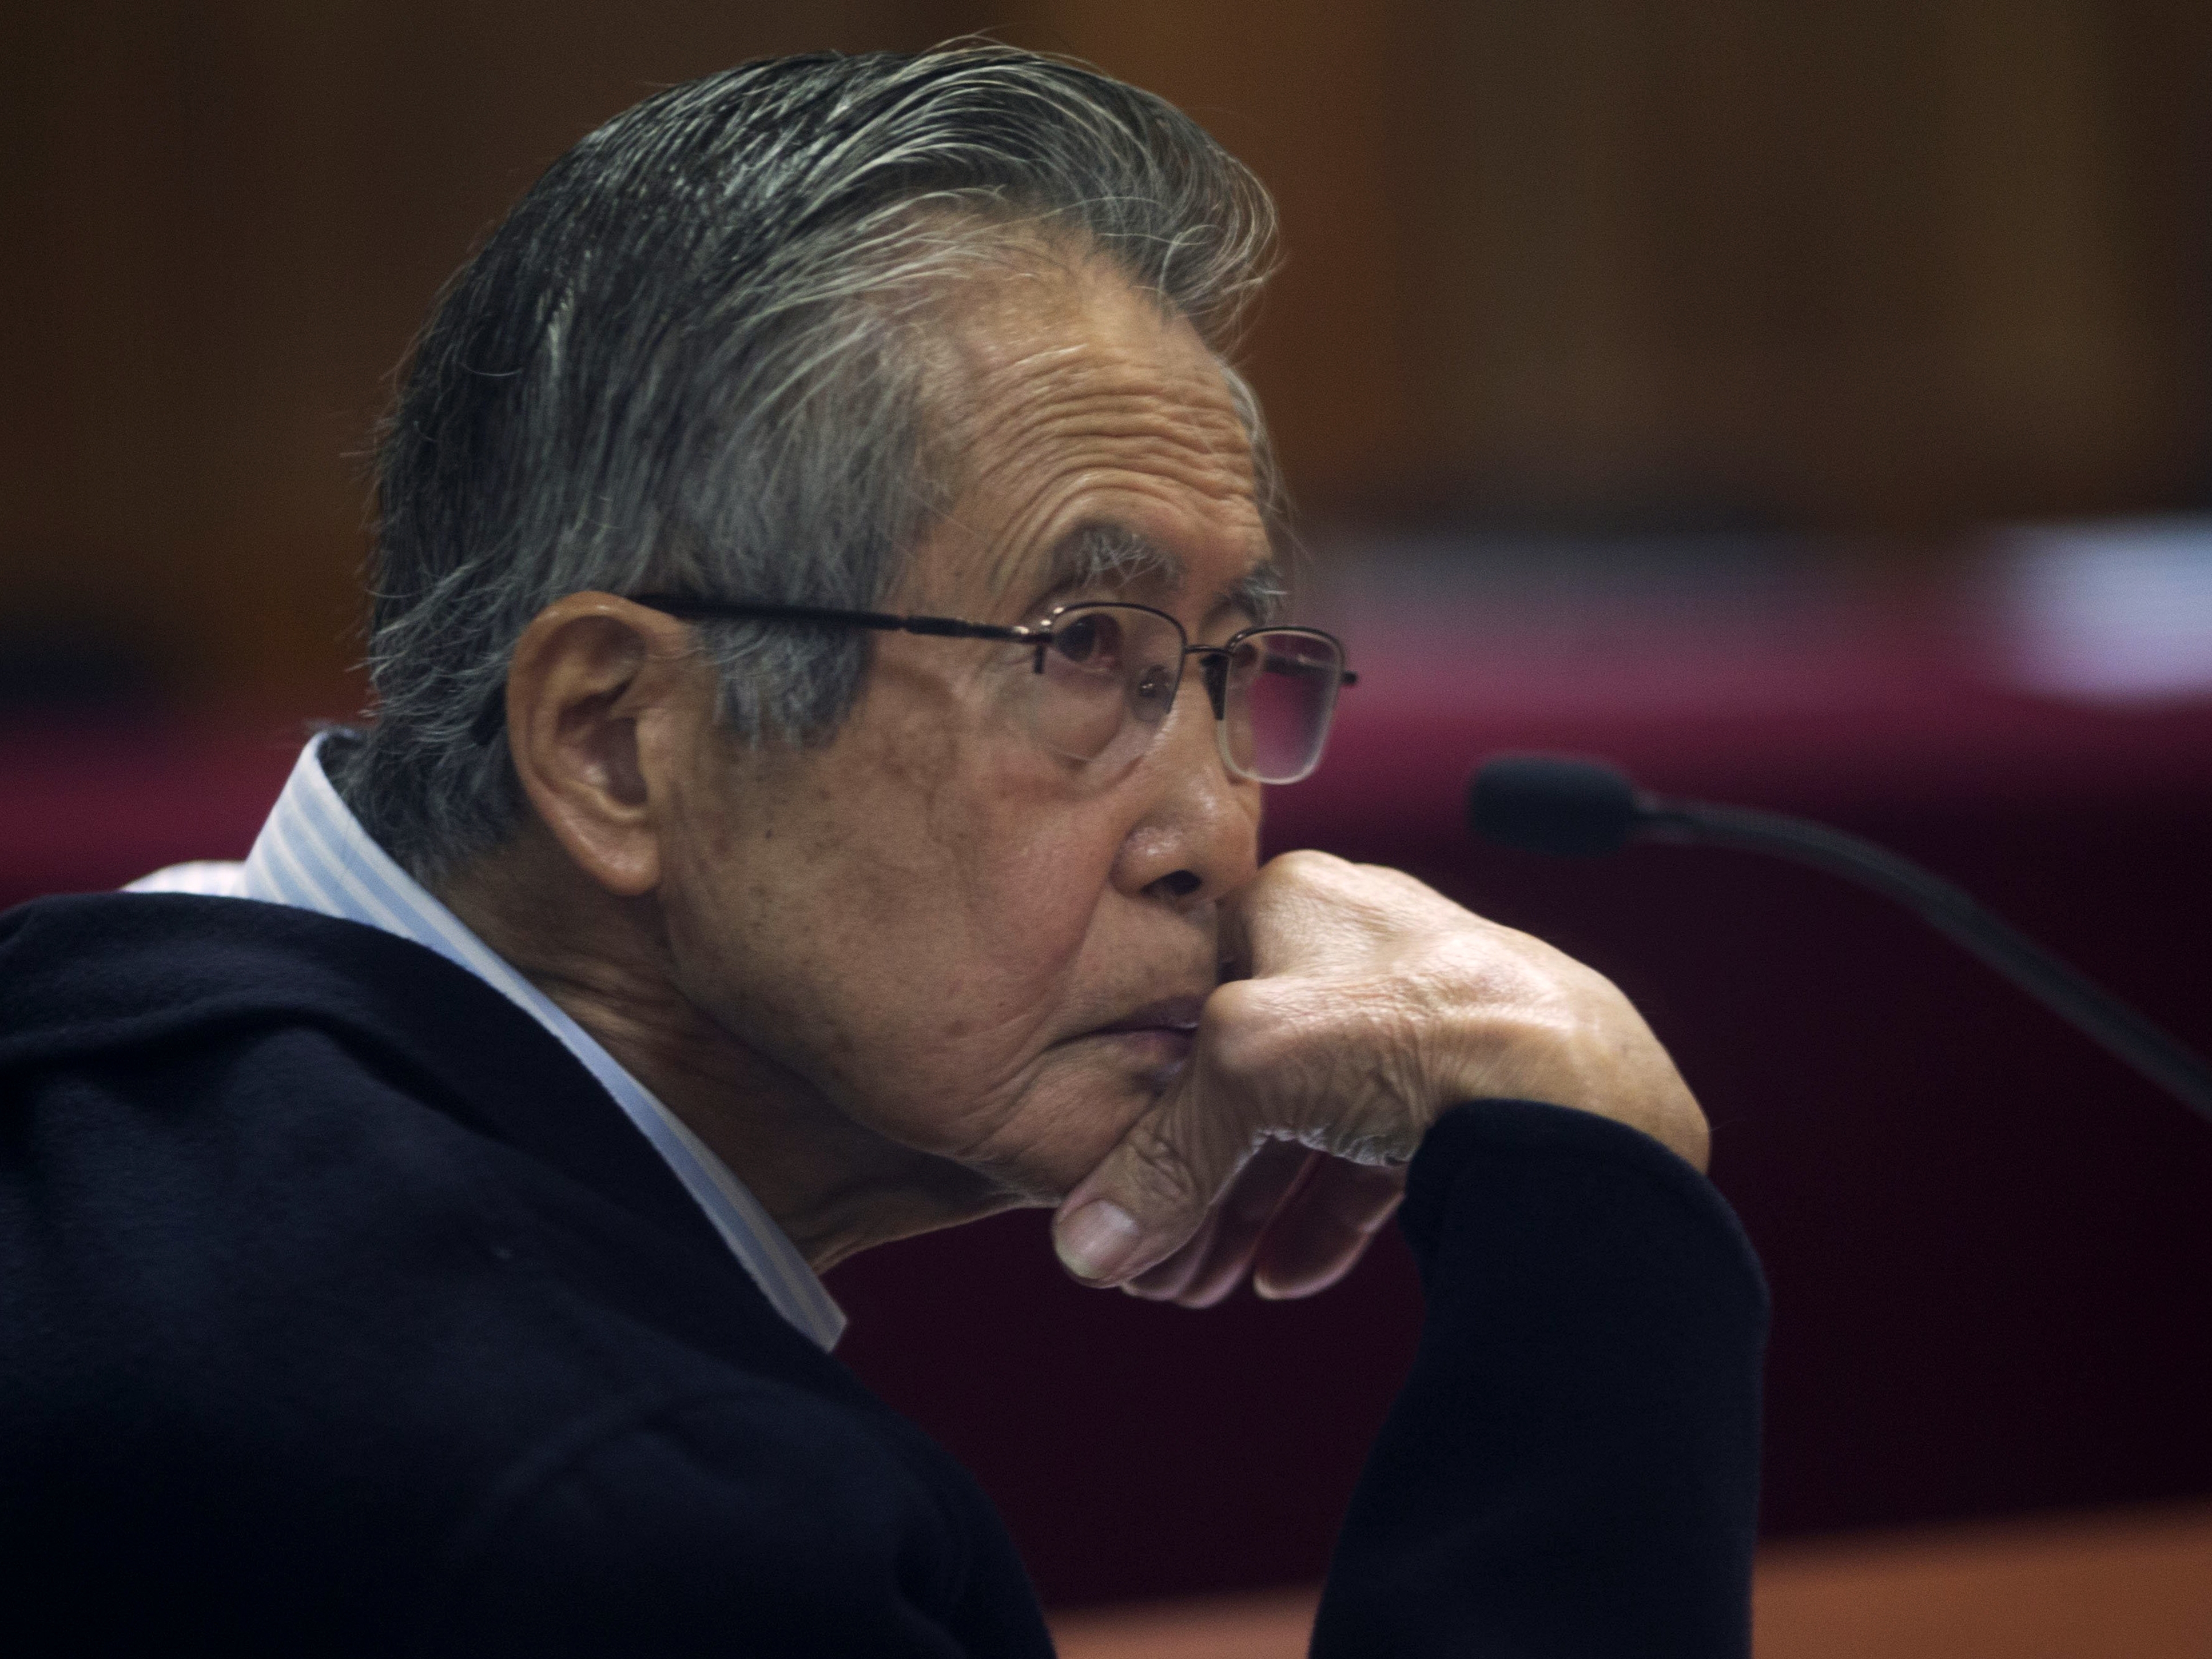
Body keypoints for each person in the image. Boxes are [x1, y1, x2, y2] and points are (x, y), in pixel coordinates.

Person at [0, 45, 1766, 1656]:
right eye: (1085, 649)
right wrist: (1593, 1233)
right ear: (618, 743)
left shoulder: (101, 1059)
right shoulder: (637, 1535)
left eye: (1229, 673)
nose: (1216, 835)